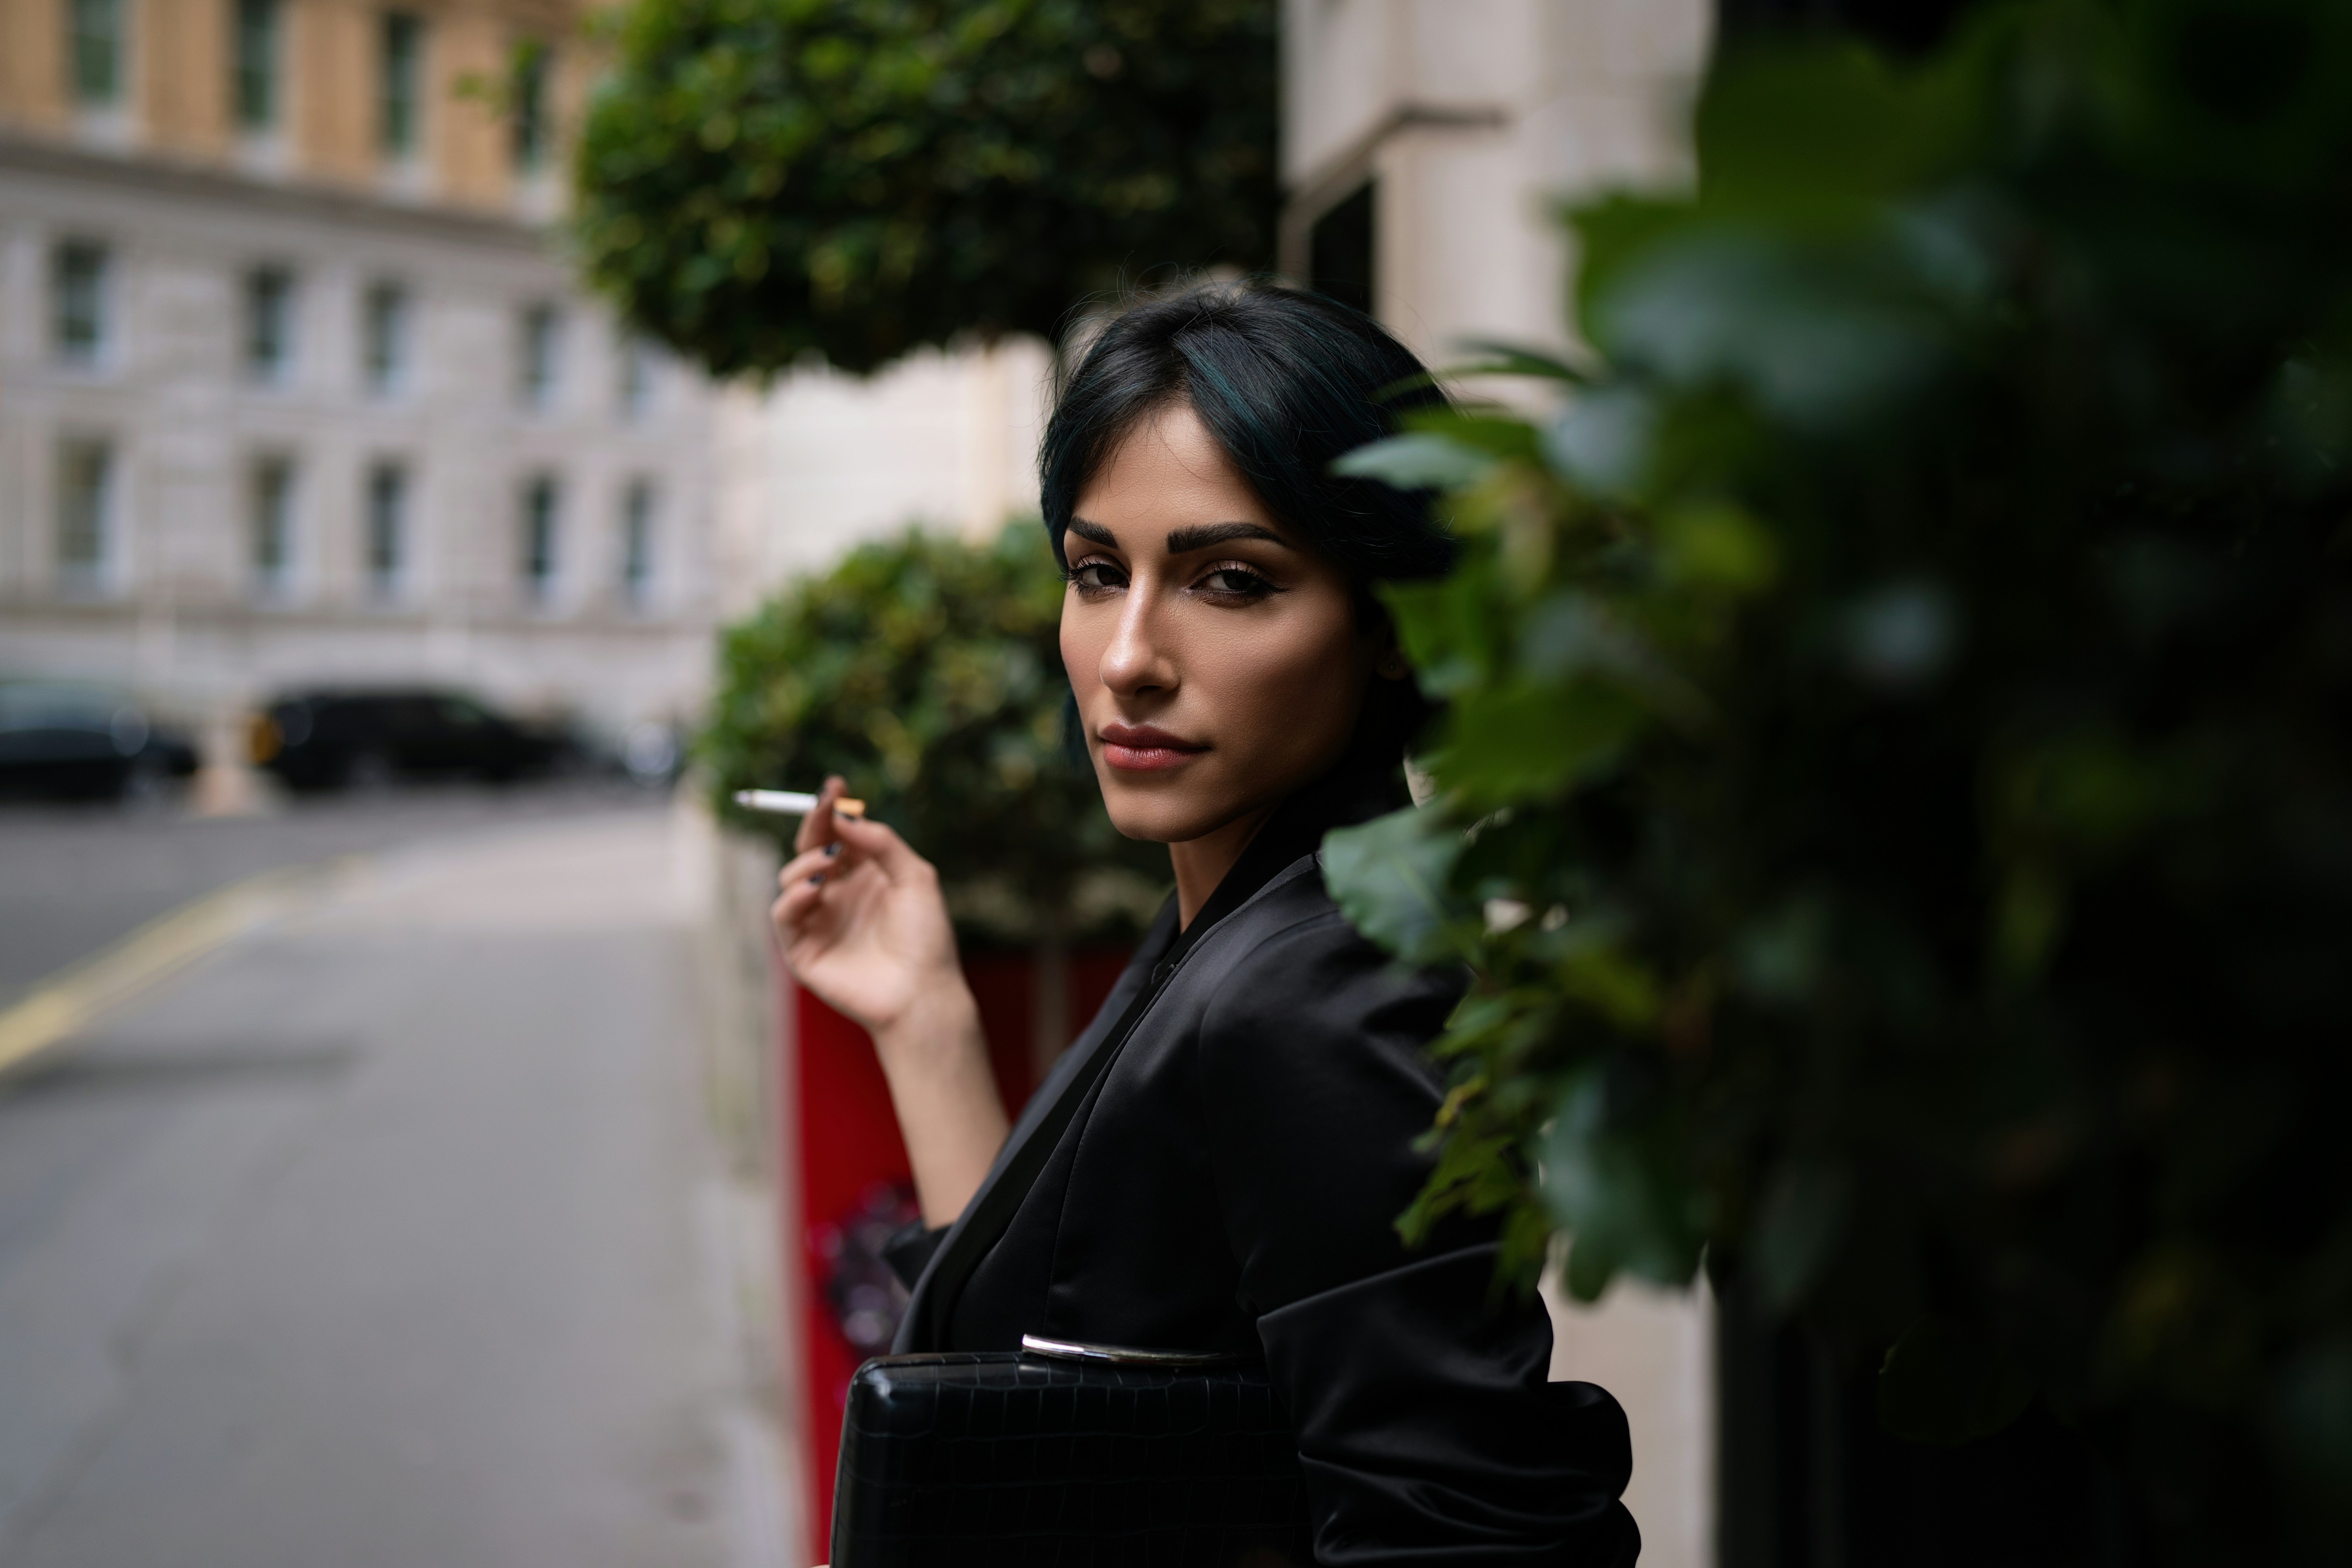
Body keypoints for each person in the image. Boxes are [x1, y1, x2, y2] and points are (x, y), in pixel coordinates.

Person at [772, 280, 1639, 1565]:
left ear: (1396, 622)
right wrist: (927, 1016)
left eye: (1230, 580)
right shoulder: (1231, 931)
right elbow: (1049, 1387)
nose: (1128, 655)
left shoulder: (1319, 994)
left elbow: (1465, 1536)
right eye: (1096, 571)